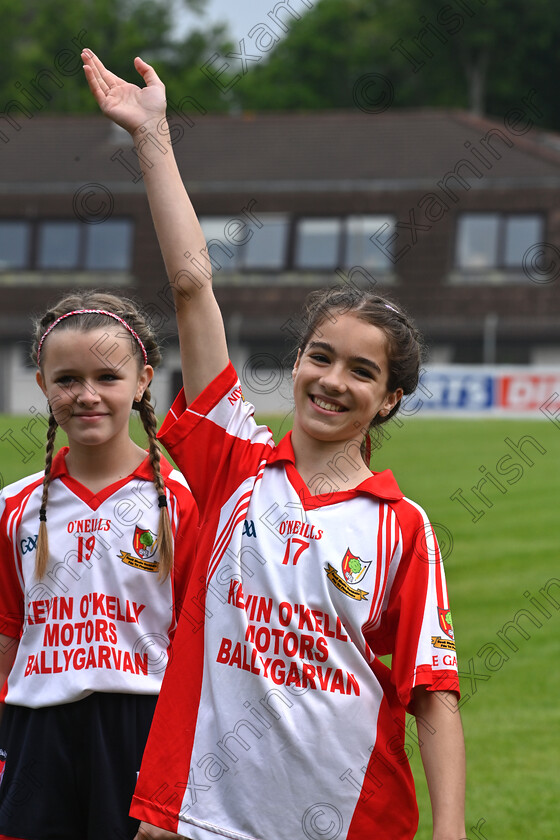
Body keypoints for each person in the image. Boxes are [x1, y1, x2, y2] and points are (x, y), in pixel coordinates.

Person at [82, 51, 466, 840]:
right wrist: (154, 135)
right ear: (296, 364)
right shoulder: (234, 466)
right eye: (320, 357)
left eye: (363, 371)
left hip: (350, 819)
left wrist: (452, 829)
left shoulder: (404, 528)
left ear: (391, 398)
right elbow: (192, 284)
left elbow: (434, 695)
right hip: (200, 813)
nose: (332, 380)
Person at [0, 291, 198, 840]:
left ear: (142, 382)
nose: (86, 396)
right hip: (34, 732)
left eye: (108, 377)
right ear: (42, 385)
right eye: (66, 379)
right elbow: (7, 638)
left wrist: (177, 779)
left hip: (142, 730)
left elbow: (199, 654)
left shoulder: (182, 504)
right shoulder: (13, 508)